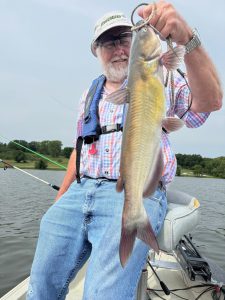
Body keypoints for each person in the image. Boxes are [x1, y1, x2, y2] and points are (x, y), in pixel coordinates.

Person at [27, 2, 222, 300]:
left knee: (102, 295)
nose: (117, 48)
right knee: (40, 286)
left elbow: (211, 101)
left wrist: (187, 38)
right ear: (96, 50)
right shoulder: (89, 94)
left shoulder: (164, 76)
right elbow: (79, 151)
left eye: (124, 39)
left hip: (136, 192)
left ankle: (135, 223)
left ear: (134, 45)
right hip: (80, 190)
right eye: (108, 42)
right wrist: (59, 202)